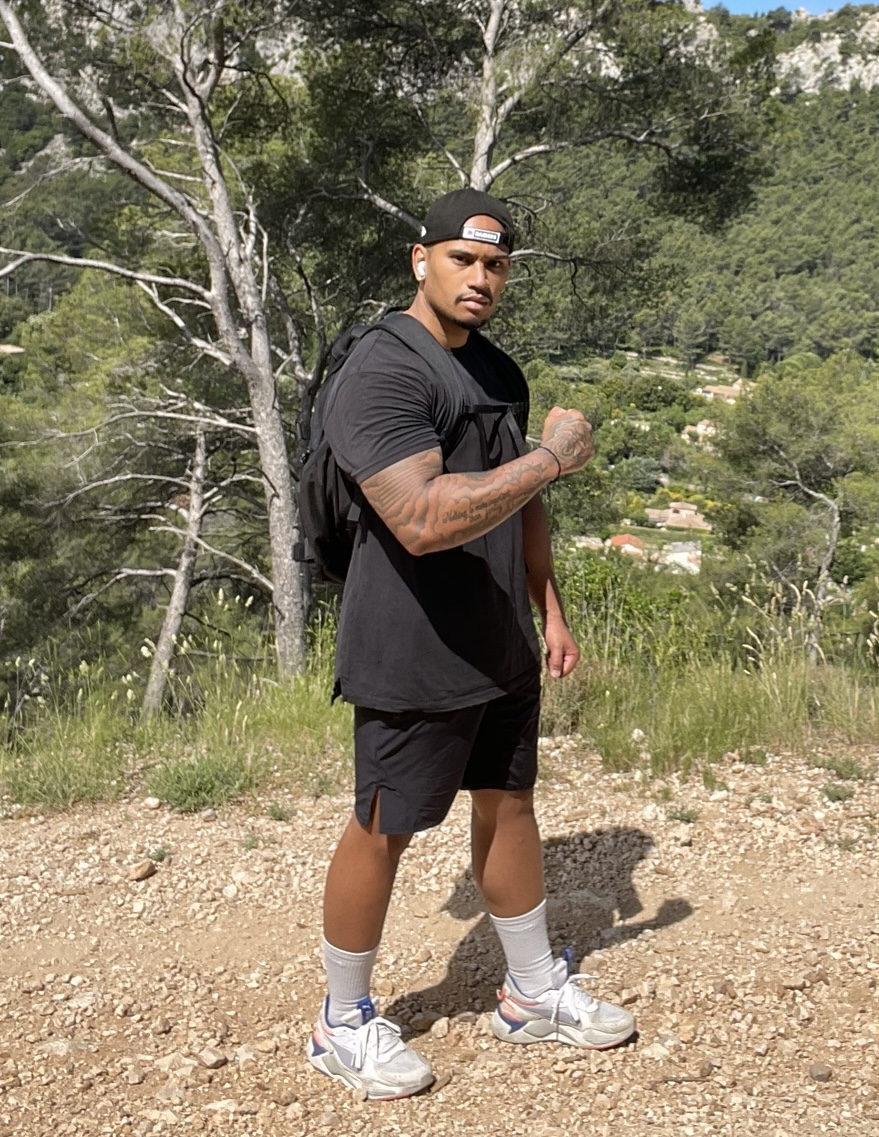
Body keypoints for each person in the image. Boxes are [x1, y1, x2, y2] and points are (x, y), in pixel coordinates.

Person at [307, 188, 635, 1100]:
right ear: (421, 260)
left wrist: (548, 607)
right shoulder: (382, 368)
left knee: (509, 802)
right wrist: (553, 456)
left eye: (495, 264)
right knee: (385, 825)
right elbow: (418, 517)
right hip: (410, 639)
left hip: (499, 633)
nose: (480, 277)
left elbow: (521, 501)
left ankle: (531, 992)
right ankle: (341, 1021)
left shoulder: (496, 369)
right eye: (463, 258)